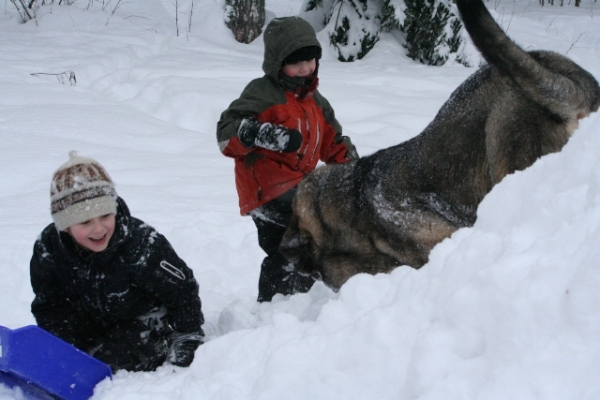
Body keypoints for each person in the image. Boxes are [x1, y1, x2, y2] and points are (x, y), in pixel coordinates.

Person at [216, 16, 359, 302]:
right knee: (302, 236)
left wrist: (354, 171)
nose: (306, 67)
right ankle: (277, 304)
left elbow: (333, 142)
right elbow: (225, 133)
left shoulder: (315, 102)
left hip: (297, 185)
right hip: (267, 188)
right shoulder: (262, 93)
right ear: (278, 62)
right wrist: (262, 134)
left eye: (311, 59)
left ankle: (299, 299)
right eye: (296, 62)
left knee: (301, 243)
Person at [30, 151, 204, 373]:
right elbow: (50, 305)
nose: (99, 229)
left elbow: (183, 290)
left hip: (141, 320)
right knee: (60, 360)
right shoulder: (49, 250)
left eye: (105, 216)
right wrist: (61, 347)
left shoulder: (142, 245)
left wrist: (188, 335)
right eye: (85, 222)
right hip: (90, 320)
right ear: (65, 226)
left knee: (114, 361)